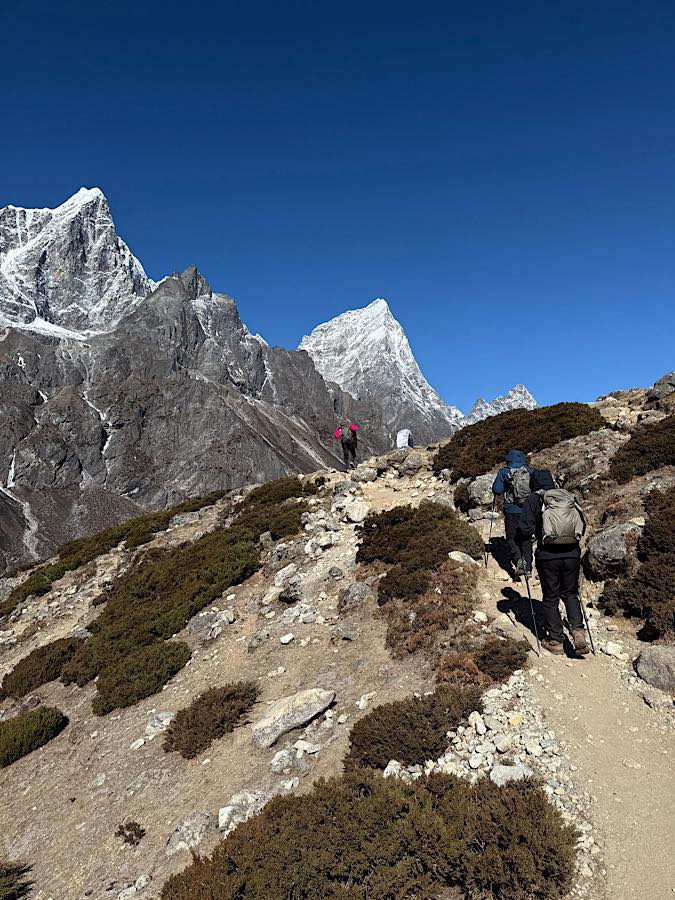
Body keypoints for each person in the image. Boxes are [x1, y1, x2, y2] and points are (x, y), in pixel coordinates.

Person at [517, 469, 589, 655]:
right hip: (572, 553)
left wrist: (528, 550)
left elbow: (524, 530)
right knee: (571, 594)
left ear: (533, 483)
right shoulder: (566, 496)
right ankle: (578, 631)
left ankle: (556, 640)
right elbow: (583, 523)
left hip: (548, 556)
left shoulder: (535, 499)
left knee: (550, 597)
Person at [491, 449, 533, 576]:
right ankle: (528, 567)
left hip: (511, 510)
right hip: (528, 509)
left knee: (511, 538)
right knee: (526, 537)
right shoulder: (530, 471)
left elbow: (497, 490)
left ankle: (519, 560)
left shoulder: (504, 472)